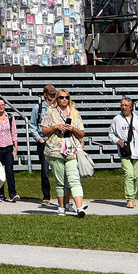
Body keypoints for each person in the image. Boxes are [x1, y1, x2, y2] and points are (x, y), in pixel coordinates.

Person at [41, 88, 87, 217]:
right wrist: (56, 127)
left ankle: (79, 207)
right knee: (60, 181)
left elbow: (82, 132)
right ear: (57, 99)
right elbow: (44, 131)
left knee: (74, 179)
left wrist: (73, 129)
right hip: (55, 150)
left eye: (66, 97)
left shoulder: (75, 113)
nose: (64, 100)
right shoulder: (51, 112)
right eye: (61, 97)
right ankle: (61, 207)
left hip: (71, 149)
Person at [110, 97, 138, 208]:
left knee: (136, 176)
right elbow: (111, 134)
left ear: (131, 107)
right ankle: (130, 198)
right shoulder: (117, 119)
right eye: (122, 105)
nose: (123, 107)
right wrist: (117, 141)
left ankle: (133, 196)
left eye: (126, 105)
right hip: (124, 152)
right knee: (129, 174)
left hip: (137, 152)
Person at [29, 84, 58, 205]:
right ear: (45, 95)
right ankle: (46, 196)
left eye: (55, 95)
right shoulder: (38, 108)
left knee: (58, 170)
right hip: (44, 141)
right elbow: (32, 125)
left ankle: (62, 195)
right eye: (51, 95)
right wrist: (39, 139)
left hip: (56, 141)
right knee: (45, 171)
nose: (54, 97)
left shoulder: (57, 107)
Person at [0, 97, 19, 202]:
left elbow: (13, 132)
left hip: (8, 146)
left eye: (3, 105)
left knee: (9, 171)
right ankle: (0, 194)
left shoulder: (10, 117)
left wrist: (15, 145)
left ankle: (12, 193)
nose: (1, 107)